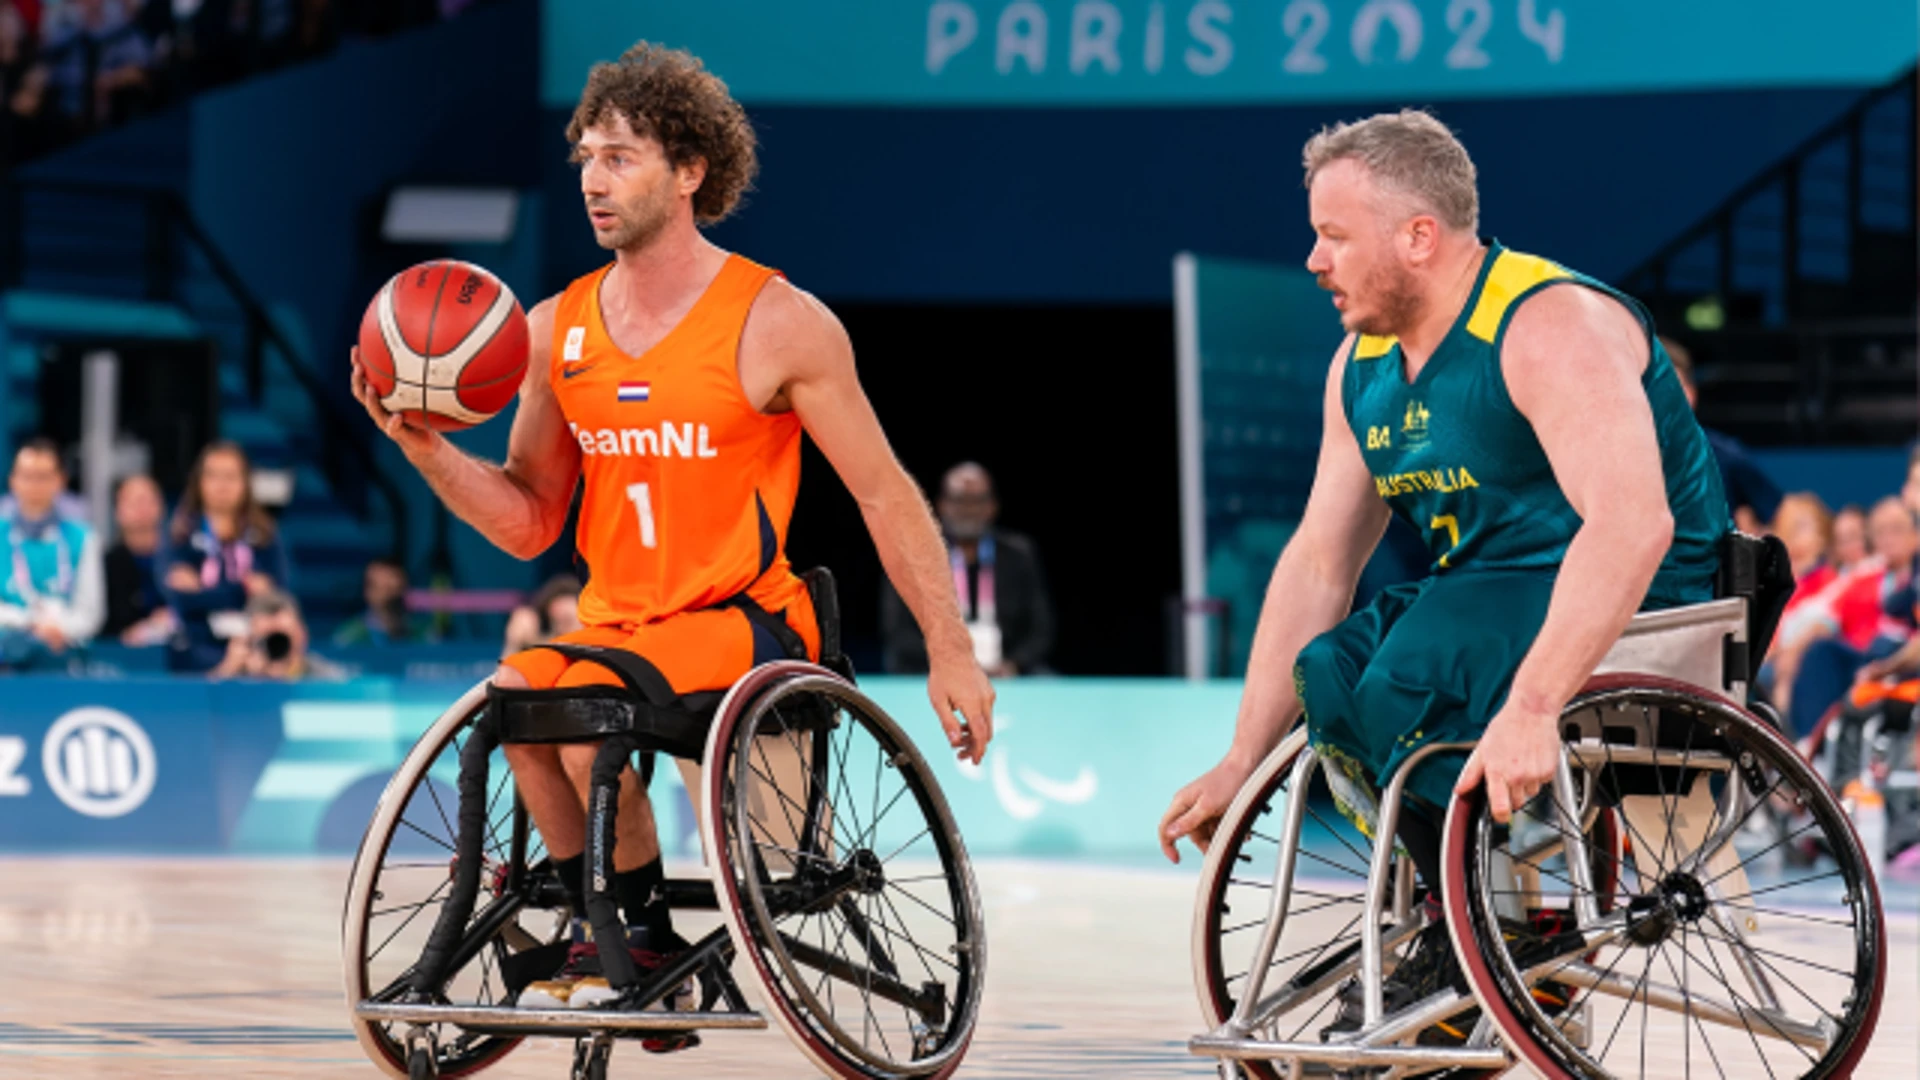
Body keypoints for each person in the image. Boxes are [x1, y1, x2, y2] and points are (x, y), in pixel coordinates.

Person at [349, 41, 994, 1027]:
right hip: (619, 625)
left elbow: (885, 495)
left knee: (587, 704)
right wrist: (427, 449)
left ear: (690, 171)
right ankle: (618, 925)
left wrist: (951, 649)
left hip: (743, 622)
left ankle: (630, 934)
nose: (594, 182)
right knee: (519, 691)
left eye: (620, 158)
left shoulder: (778, 322)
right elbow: (529, 524)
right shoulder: (555, 329)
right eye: (585, 159)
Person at [1156, 110, 1727, 1038]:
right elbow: (1317, 559)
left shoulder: (1549, 325)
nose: (1313, 260)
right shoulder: (1363, 363)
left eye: (1333, 237)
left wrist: (1537, 705)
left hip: (1653, 589)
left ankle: (1502, 934)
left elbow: (1634, 525)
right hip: (1493, 590)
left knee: (1412, 671)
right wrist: (1239, 756)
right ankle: (1466, 918)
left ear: (1418, 237)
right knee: (1334, 672)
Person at [880, 462, 1054, 677]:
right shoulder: (914, 555)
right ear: (942, 505)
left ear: (992, 506)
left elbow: (1040, 629)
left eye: (977, 501)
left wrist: (1013, 665)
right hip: (932, 671)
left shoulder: (1018, 555)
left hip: (1006, 672)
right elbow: (898, 631)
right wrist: (947, 665)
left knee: (1046, 678)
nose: (968, 510)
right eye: (959, 500)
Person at [163, 441, 291, 673]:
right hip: (196, 643)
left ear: (245, 483)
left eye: (231, 476)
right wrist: (244, 589)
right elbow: (180, 600)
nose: (222, 485)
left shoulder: (265, 534)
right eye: (213, 476)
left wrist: (202, 592)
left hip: (255, 643)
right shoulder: (179, 533)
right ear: (199, 482)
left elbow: (276, 595)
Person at [0, 438, 104, 669]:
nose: (34, 485)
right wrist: (31, 623)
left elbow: (90, 612)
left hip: (65, 655)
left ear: (60, 481)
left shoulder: (83, 537)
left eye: (43, 476)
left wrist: (59, 628)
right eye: (27, 476)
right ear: (13, 481)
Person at [1665, 337, 1782, 536]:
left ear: (1691, 395)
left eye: (1673, 387)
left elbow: (1781, 514)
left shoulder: (1726, 456)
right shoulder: (1616, 458)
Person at [101, 472, 176, 645]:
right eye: (133, 502)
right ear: (117, 511)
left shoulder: (181, 559)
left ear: (161, 507)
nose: (141, 508)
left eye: (147, 500)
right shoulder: (104, 565)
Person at [210, 586, 341, 680]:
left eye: (281, 637)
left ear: (301, 635)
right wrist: (229, 669)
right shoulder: (236, 678)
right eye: (268, 638)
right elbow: (204, 707)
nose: (276, 646)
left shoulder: (326, 679)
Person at [332, 556, 436, 646]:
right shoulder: (349, 638)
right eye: (383, 589)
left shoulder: (425, 635)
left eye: (395, 589)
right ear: (367, 592)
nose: (391, 598)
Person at [501, 573, 582, 658]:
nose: (561, 621)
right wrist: (515, 642)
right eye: (558, 618)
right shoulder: (528, 621)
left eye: (568, 619)